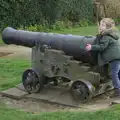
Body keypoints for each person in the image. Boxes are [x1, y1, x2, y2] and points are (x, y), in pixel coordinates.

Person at [85, 18, 120, 97]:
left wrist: (92, 47)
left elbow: (102, 47)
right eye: (100, 24)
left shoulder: (106, 36)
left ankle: (118, 91)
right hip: (117, 56)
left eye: (103, 25)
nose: (100, 26)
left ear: (108, 27)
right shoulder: (114, 34)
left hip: (115, 57)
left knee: (114, 74)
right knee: (118, 73)